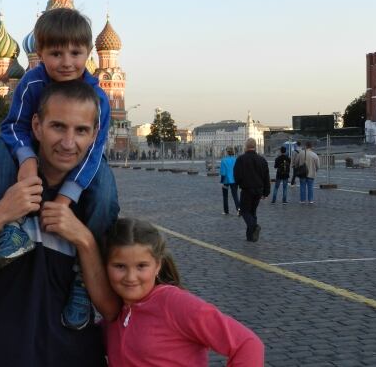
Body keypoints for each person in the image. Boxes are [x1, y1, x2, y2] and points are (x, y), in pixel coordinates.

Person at [0, 81, 120, 366]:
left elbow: (109, 308)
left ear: (95, 134)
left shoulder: (98, 200)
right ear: (36, 126)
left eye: (81, 130)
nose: (69, 143)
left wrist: (83, 238)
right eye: (58, 126)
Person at [0, 7, 117, 329]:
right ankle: (8, 229)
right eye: (56, 53)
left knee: (106, 194)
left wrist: (66, 198)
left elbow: (93, 151)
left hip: (83, 163)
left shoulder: (97, 97)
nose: (66, 62)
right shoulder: (32, 82)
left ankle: (82, 276)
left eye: (76, 53)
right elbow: (13, 126)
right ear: (40, 53)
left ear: (90, 53)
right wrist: (27, 160)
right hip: (33, 152)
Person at [102, 218, 264, 366]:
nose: (131, 277)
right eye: (120, 266)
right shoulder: (114, 312)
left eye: (141, 266)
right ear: (105, 267)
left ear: (158, 265)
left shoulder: (175, 304)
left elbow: (248, 344)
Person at [233, 138, 270, 242]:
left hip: (247, 189)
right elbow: (266, 177)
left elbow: (237, 175)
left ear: (246, 146)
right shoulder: (262, 160)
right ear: (255, 146)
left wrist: (238, 184)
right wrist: (266, 192)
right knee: (253, 212)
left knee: (244, 211)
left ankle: (254, 226)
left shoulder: (241, 159)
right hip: (259, 190)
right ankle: (251, 237)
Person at [219, 147, 240, 216]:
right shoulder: (236, 159)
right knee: (235, 195)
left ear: (226, 152)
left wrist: (222, 181)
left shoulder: (224, 160)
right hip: (234, 180)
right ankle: (239, 210)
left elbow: (223, 173)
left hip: (226, 180)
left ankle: (226, 211)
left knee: (225, 196)